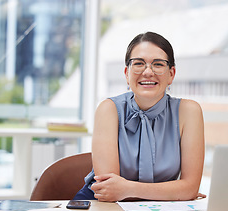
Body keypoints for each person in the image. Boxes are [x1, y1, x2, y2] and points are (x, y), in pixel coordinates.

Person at [73, 31, 205, 202]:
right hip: (102, 205)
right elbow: (111, 190)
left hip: (159, 209)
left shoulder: (189, 111)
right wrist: (174, 192)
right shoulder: (109, 109)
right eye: (139, 63)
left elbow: (190, 188)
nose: (148, 72)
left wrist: (128, 188)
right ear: (127, 73)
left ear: (171, 74)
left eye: (158, 64)